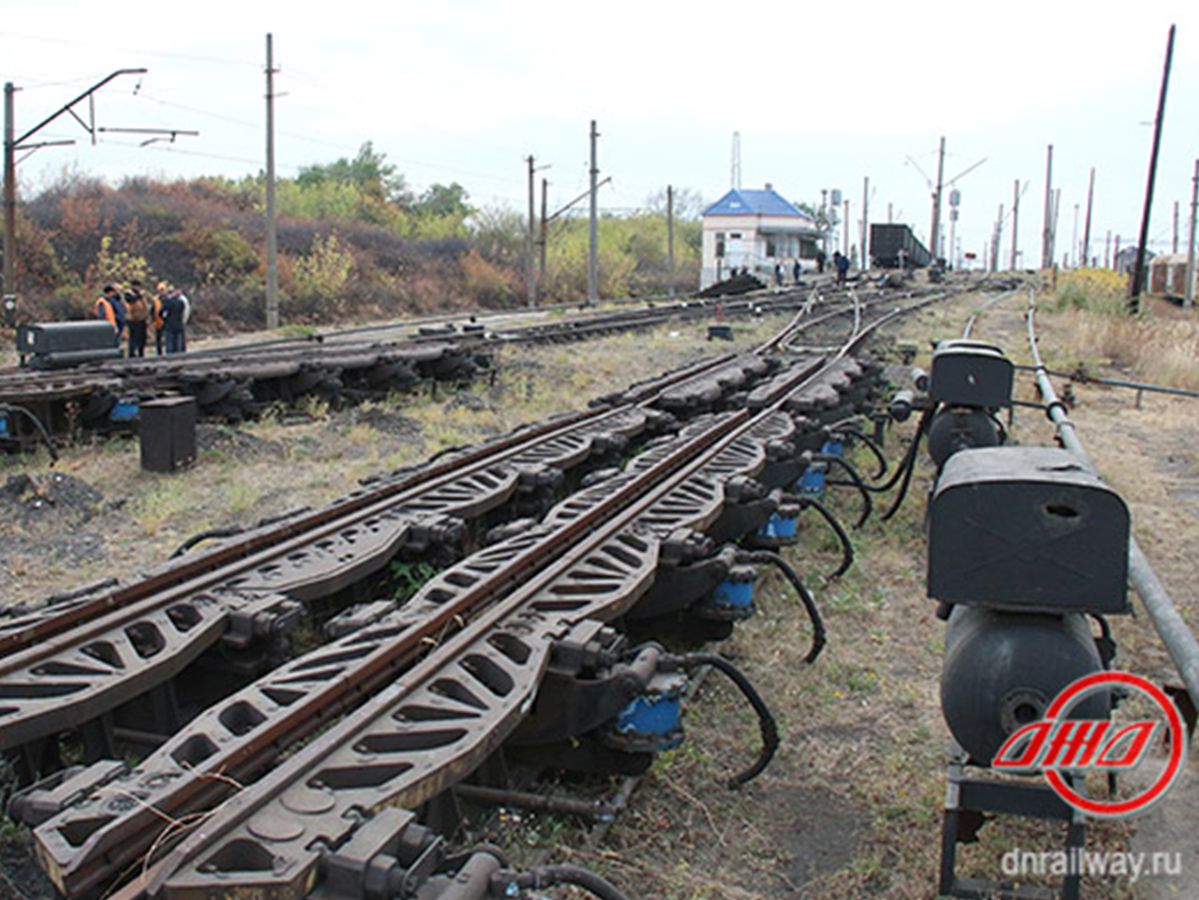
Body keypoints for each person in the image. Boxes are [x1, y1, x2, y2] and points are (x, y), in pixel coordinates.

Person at [93, 284, 125, 349]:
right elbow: (102, 315)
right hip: (107, 326)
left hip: (113, 325)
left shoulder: (109, 301)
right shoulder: (103, 301)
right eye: (112, 292)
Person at [125, 280, 149, 358]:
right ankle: (132, 353)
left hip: (142, 319)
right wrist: (139, 295)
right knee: (134, 337)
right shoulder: (129, 294)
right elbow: (131, 299)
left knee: (142, 337)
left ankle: (141, 352)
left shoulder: (141, 296)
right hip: (133, 319)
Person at [160, 285, 187, 354]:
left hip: (170, 325)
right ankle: (180, 356)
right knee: (179, 343)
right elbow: (183, 312)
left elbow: (161, 313)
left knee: (170, 343)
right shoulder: (181, 302)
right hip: (179, 324)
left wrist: (165, 319)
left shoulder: (167, 302)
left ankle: (170, 357)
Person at [152, 281, 168, 356]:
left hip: (167, 321)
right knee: (158, 338)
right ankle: (159, 352)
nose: (162, 292)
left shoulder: (168, 299)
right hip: (158, 321)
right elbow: (152, 310)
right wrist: (153, 320)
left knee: (167, 337)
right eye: (160, 290)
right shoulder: (155, 300)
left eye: (163, 290)